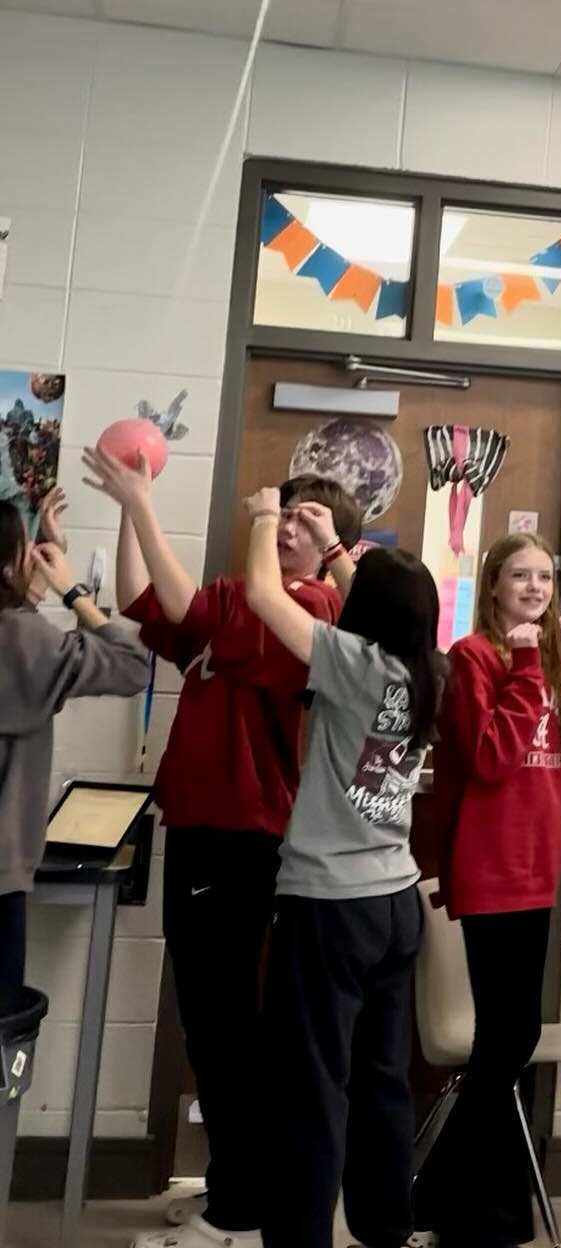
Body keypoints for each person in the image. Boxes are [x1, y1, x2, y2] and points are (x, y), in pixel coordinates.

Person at [81, 445, 360, 1248]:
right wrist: (136, 503)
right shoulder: (239, 605)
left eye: (309, 525)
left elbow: (189, 598)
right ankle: (237, 1190)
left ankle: (241, 1210)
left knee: (227, 1023)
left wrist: (140, 501)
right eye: (285, 518)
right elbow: (147, 600)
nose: (287, 533)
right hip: (203, 825)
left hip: (242, 835)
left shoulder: (305, 611)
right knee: (215, 1021)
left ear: (330, 547)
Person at [242, 486, 444, 1248]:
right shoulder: (429, 672)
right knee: (383, 1079)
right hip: (395, 901)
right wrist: (337, 553)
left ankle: (299, 1239)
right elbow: (388, 607)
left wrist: (266, 515)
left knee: (311, 1082)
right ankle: (386, 1227)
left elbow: (264, 593)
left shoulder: (352, 662)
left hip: (331, 904)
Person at [414, 532, 561, 1248]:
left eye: (544, 576)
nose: (534, 587)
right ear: (493, 585)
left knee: (513, 1036)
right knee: (506, 1038)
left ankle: (462, 1198)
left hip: (537, 867)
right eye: (519, 576)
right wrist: (528, 663)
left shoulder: (553, 661)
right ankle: (449, 1197)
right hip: (488, 865)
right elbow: (493, 759)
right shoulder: (474, 658)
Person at [0, 501, 149, 1011]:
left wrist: (27, 587)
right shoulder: (30, 643)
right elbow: (132, 667)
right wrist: (72, 591)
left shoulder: (25, 636)